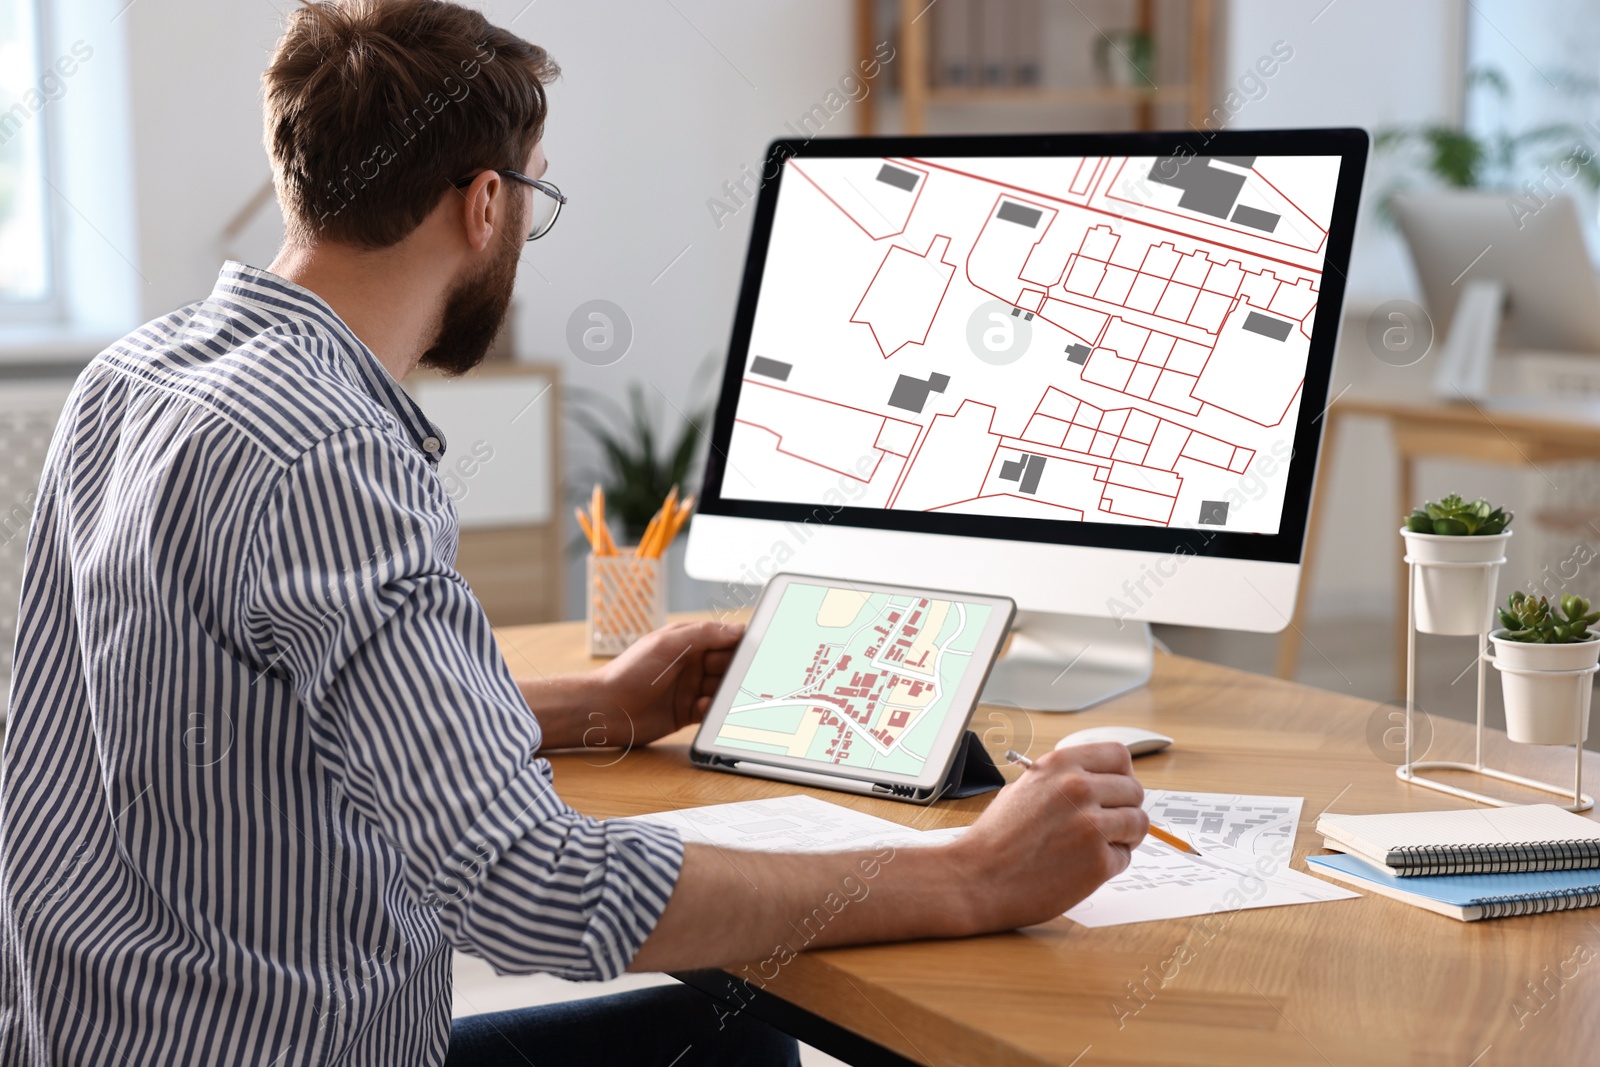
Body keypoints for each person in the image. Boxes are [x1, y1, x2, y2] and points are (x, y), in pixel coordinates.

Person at [0, 2, 1149, 1064]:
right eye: (534, 197)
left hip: (82, 1035)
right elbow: (532, 884)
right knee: (733, 1032)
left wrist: (593, 708)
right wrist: (968, 874)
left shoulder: (133, 377)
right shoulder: (333, 453)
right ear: (484, 201)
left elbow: (253, 711)